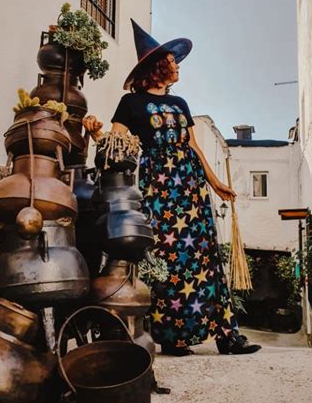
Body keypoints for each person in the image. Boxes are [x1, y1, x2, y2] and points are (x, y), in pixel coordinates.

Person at [83, 20, 261, 356]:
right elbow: (117, 141)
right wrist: (95, 134)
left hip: (191, 187)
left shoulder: (181, 104)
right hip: (158, 187)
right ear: (157, 67)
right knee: (166, 257)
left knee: (204, 256)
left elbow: (193, 147)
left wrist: (216, 183)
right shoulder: (130, 103)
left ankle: (226, 335)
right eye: (171, 61)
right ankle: (173, 335)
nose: (177, 66)